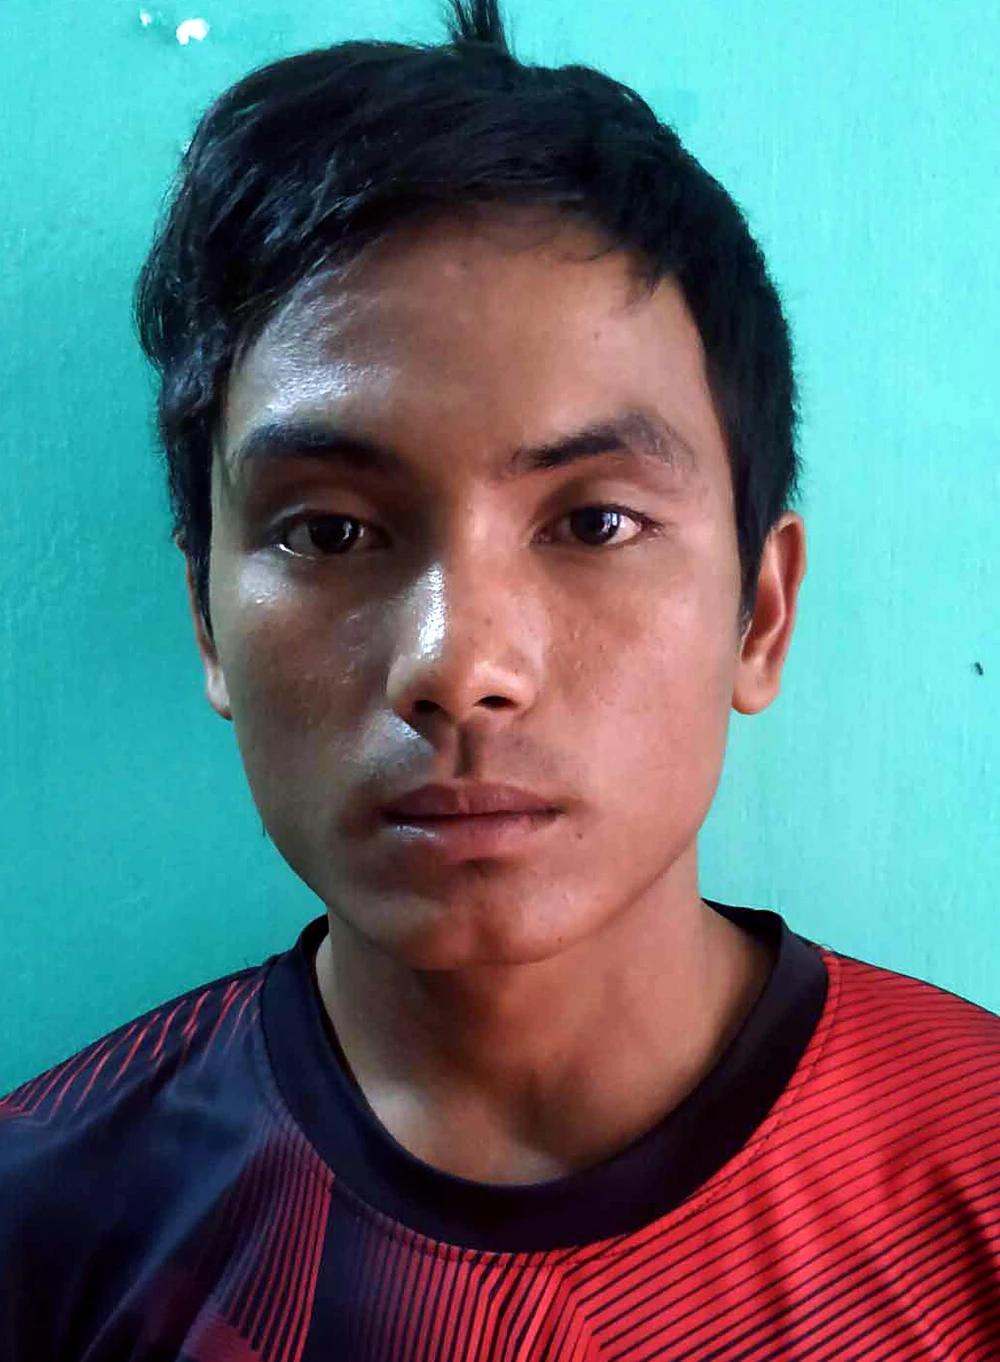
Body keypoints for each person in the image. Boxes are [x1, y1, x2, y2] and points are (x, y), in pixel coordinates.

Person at [2, 0, 997, 1355]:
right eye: (331, 533)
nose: (460, 665)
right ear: (207, 624)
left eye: (595, 521)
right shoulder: (46, 1224)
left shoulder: (976, 1172)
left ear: (760, 615)